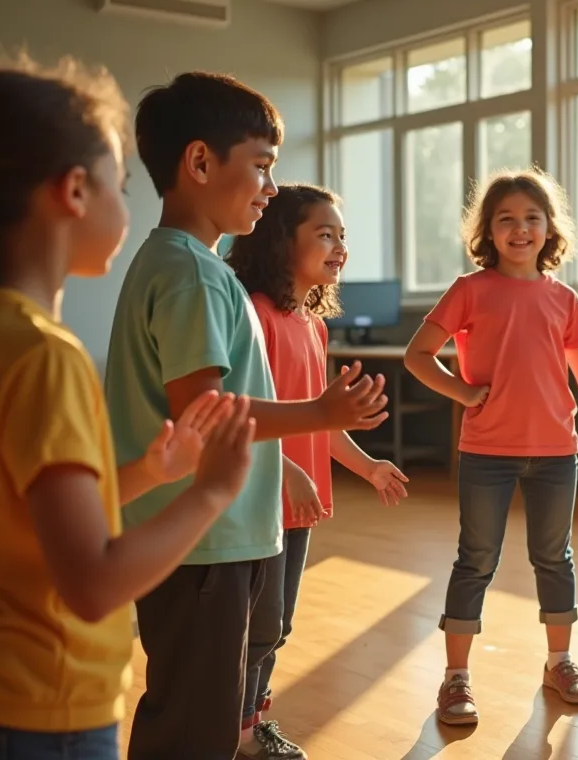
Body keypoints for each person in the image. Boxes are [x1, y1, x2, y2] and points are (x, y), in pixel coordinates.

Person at [0, 57, 257, 759]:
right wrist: (211, 492)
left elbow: (29, 517)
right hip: (40, 715)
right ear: (73, 191)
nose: (128, 205)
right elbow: (92, 584)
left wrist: (149, 475)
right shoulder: (43, 356)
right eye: (121, 184)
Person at [103, 71, 390, 760]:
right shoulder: (193, 273)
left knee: (194, 705)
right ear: (200, 163)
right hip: (204, 540)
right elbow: (204, 413)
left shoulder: (180, 264)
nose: (269, 186)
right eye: (260, 167)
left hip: (210, 534)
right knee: (195, 723)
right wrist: (319, 413)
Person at [404, 168, 578, 726]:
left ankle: (560, 662)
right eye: (506, 219)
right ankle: (456, 677)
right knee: (475, 560)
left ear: (550, 229)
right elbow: (418, 355)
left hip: (556, 454)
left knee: (555, 559)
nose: (520, 229)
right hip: (485, 453)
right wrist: (461, 390)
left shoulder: (564, 299)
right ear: (489, 231)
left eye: (532, 218)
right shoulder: (469, 290)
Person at [225, 183, 410, 759]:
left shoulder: (313, 325)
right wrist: (284, 469)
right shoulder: (254, 313)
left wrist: (368, 465)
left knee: (275, 627)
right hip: (260, 503)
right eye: (324, 235)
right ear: (282, 242)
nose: (339, 248)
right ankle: (237, 736)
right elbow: (240, 410)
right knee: (257, 628)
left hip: (298, 508)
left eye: (342, 236)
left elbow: (321, 423)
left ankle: (252, 724)